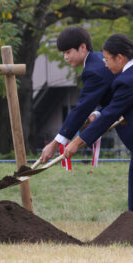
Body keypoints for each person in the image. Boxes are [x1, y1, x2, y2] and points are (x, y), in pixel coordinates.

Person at [64, 33, 133, 210]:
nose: (106, 64)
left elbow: (111, 113)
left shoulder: (127, 80)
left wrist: (77, 142)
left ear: (120, 57)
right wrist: (98, 112)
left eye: (107, 59)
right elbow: (116, 104)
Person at [40, 26, 115, 163]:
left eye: (68, 52)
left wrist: (55, 143)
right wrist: (98, 113)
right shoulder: (99, 59)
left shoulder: (93, 71)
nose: (65, 57)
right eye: (63, 53)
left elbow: (81, 109)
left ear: (82, 47)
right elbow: (115, 98)